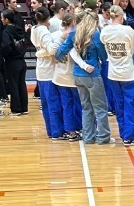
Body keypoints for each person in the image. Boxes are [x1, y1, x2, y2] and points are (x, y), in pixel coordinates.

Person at [58, 7, 111, 144]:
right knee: (100, 108)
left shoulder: (74, 33)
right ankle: (103, 137)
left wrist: (59, 57)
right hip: (92, 74)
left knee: (86, 107)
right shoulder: (95, 34)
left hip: (77, 75)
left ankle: (88, 137)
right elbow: (103, 56)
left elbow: (61, 51)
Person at [101, 3, 134, 145]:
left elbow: (104, 46)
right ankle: (130, 136)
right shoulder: (128, 30)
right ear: (121, 16)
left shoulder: (105, 31)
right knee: (130, 105)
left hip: (113, 73)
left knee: (119, 105)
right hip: (127, 72)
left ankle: (124, 134)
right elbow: (132, 48)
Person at [49, 10, 82, 139]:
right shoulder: (76, 36)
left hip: (59, 76)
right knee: (78, 105)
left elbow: (52, 53)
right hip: (72, 76)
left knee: (66, 105)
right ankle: (80, 128)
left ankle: (70, 132)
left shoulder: (55, 35)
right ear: (74, 22)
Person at [32, 7, 64, 138]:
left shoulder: (34, 29)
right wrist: (61, 38)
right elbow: (51, 50)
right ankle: (56, 132)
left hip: (41, 70)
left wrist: (39, 52)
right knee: (53, 103)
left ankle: (51, 131)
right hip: (48, 71)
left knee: (46, 104)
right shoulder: (44, 31)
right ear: (48, 19)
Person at [1, 8, 28, 115]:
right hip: (22, 61)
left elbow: (6, 46)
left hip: (12, 61)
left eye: (2, 18)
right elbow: (25, 43)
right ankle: (24, 107)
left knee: (13, 85)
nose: (1, 20)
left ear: (6, 20)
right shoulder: (20, 30)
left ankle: (16, 109)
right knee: (21, 84)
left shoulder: (6, 31)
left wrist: (6, 55)